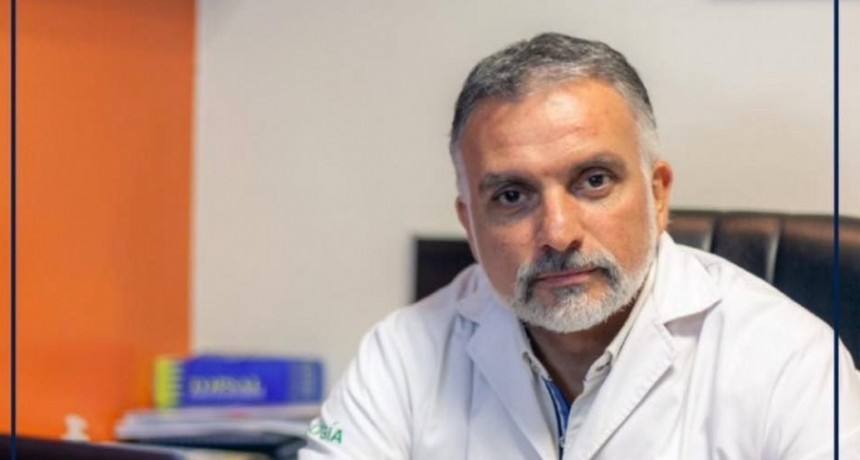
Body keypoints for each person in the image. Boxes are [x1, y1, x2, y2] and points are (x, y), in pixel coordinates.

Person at [299, 33, 860, 459]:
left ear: (658, 194)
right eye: (512, 195)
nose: (558, 233)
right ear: (470, 224)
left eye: (593, 181)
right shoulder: (403, 354)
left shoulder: (791, 362)